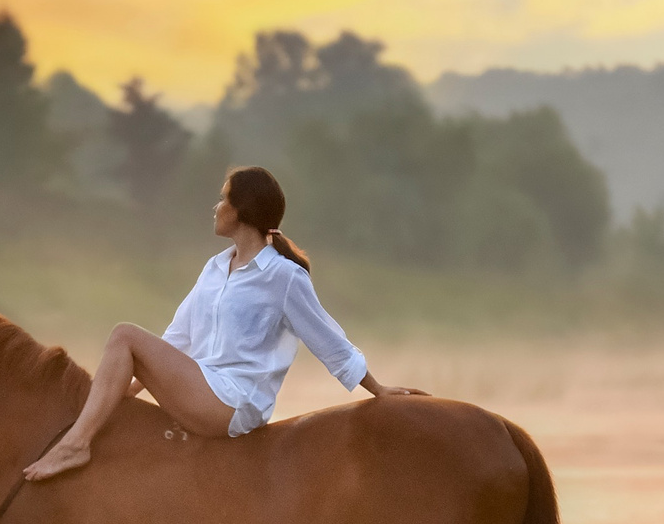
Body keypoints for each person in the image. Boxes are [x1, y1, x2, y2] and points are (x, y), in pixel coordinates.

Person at [22, 166, 420, 481]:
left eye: (222, 199)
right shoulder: (215, 268)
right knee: (127, 346)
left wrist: (378, 390)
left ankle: (76, 444)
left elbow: (330, 341)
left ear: (241, 211)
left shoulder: (283, 277)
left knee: (123, 334)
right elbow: (175, 340)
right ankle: (86, 429)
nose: (215, 207)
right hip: (202, 386)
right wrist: (122, 394)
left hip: (234, 402)